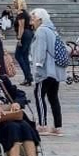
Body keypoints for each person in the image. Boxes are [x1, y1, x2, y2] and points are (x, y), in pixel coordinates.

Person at [27, 8, 63, 136]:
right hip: (55, 71)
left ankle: (42, 125)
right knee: (53, 97)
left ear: (40, 19)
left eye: (33, 18)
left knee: (39, 95)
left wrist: (37, 69)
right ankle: (58, 127)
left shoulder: (41, 31)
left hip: (45, 70)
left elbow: (40, 52)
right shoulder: (52, 30)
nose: (31, 22)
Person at [10, 0, 33, 83]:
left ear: (18, 3)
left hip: (24, 35)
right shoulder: (24, 12)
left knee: (18, 55)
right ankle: (28, 77)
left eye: (14, 2)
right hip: (28, 34)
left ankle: (28, 76)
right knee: (24, 56)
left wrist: (19, 38)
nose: (13, 4)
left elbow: (21, 26)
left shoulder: (20, 13)